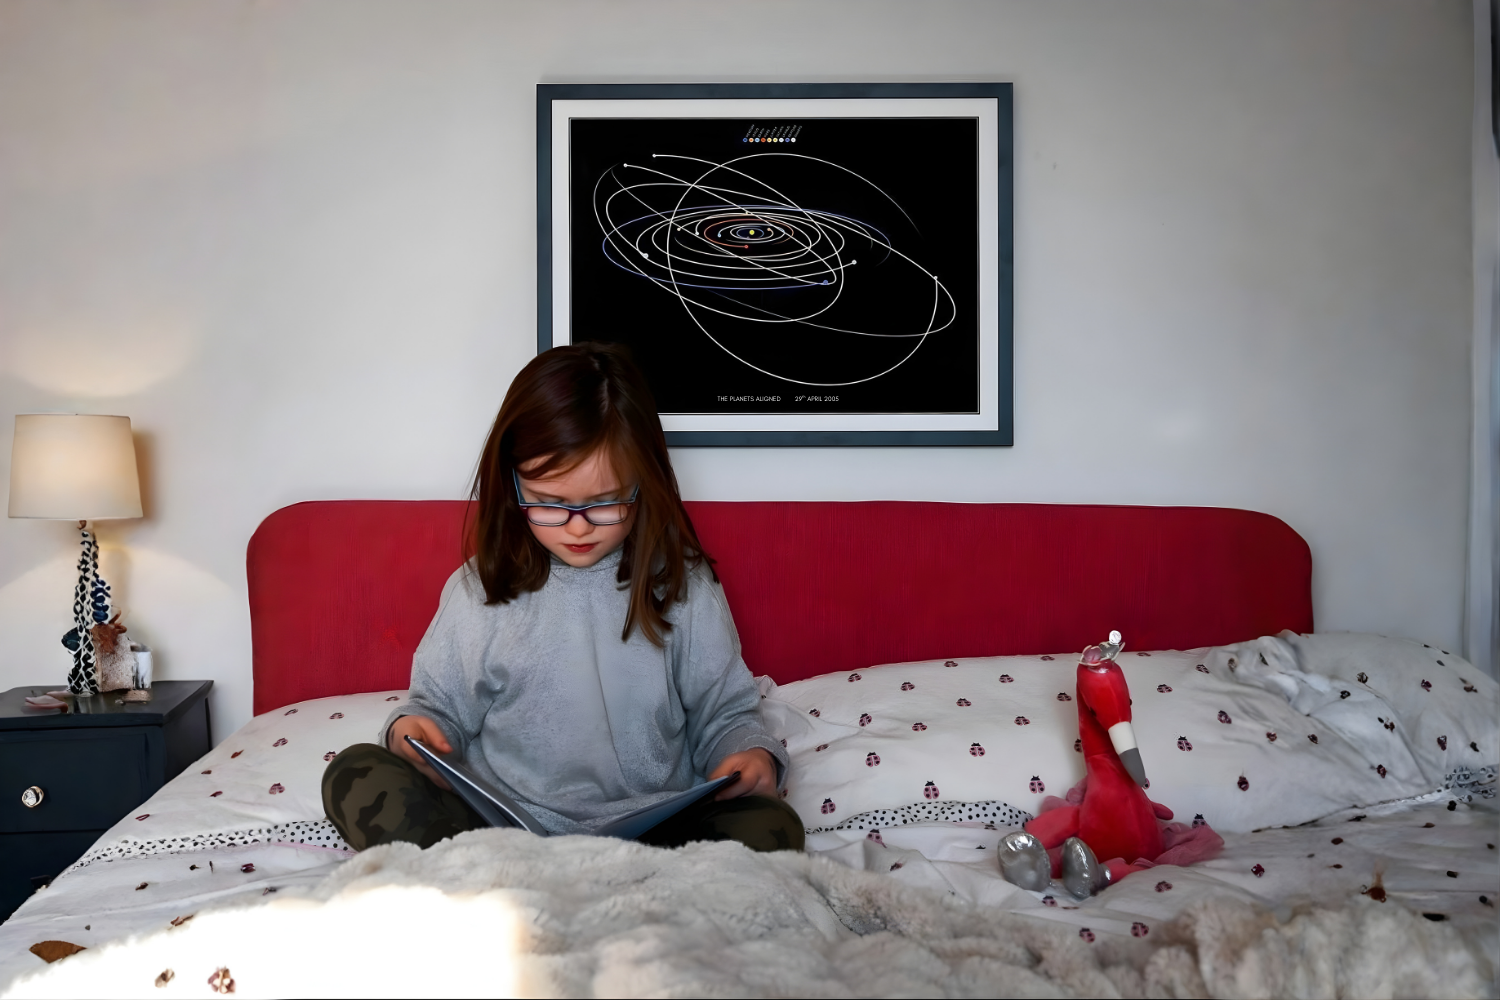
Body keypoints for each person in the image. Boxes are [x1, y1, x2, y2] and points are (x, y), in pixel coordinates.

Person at [321, 343, 802, 854]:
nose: (578, 527)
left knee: (772, 825)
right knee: (353, 772)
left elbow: (726, 715)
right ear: (513, 484)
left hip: (654, 837)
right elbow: (436, 709)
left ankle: (582, 893)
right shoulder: (479, 588)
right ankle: (485, 882)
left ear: (645, 483)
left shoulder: (684, 587)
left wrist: (751, 754)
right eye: (550, 503)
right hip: (501, 832)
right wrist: (411, 733)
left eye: (604, 502)